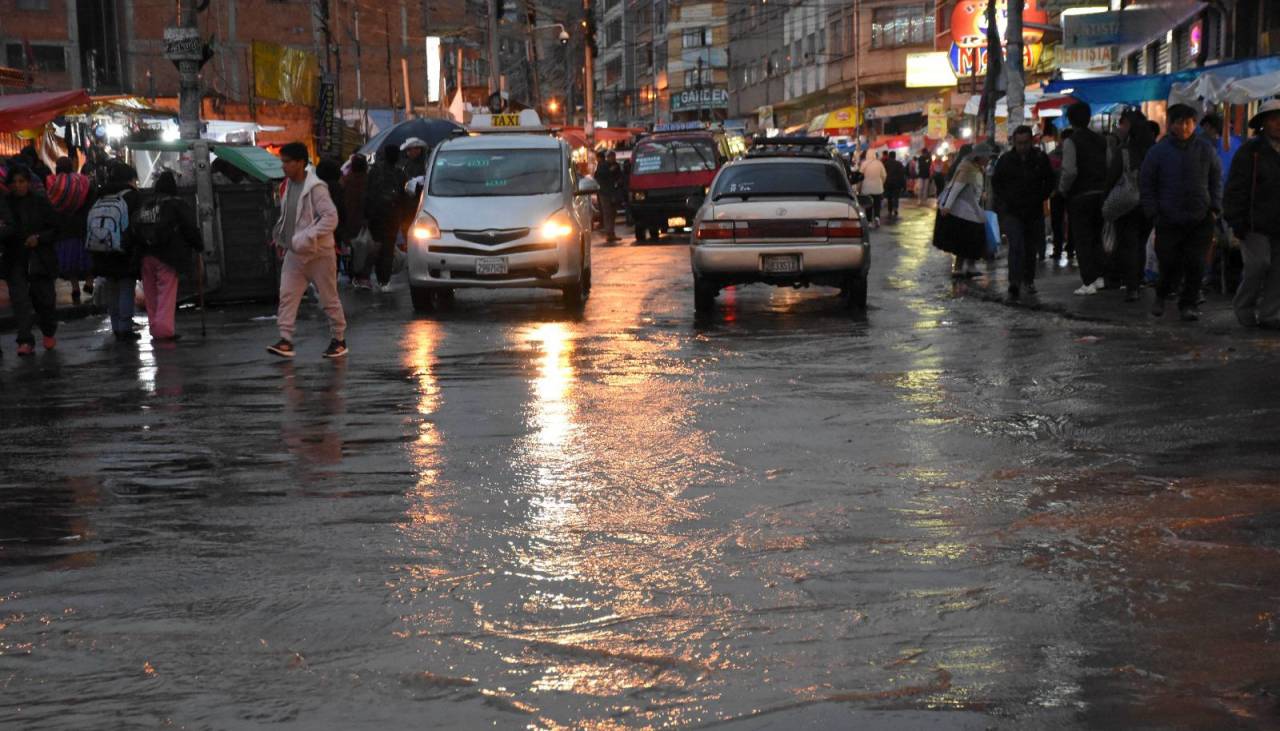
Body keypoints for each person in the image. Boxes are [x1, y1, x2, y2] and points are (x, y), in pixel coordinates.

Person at [1140, 103, 1222, 322]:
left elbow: (1216, 179)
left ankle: (1189, 303)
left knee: (1196, 263)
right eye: (1179, 122)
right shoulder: (1157, 152)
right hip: (1168, 217)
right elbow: (1146, 184)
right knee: (1168, 261)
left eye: (1188, 122)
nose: (1184, 127)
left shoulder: (1206, 149)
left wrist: (1214, 208)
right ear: (1170, 124)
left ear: (1195, 124)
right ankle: (1162, 294)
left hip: (1200, 217)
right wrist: (1153, 212)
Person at [267, 142, 347, 359]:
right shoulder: (287, 186)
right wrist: (282, 239)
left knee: (328, 298)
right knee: (287, 295)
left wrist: (308, 236)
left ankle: (339, 339)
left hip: (319, 253)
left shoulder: (316, 188)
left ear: (300, 163)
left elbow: (331, 218)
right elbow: (288, 218)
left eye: (287, 162)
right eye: (282, 162)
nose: (283, 166)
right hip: (295, 252)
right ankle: (286, 339)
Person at [1224, 99, 1280, 328]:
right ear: (1263, 124)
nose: (1279, 124)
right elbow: (1236, 187)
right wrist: (1236, 220)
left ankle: (1271, 314)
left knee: (1279, 271)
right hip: (1254, 222)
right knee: (1258, 265)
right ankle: (1244, 305)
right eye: (1274, 119)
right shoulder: (1251, 151)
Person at [135, 171, 201, 341]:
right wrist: (199, 245)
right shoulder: (175, 204)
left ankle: (155, 328)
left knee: (150, 293)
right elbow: (189, 228)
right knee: (166, 292)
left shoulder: (147, 204)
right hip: (168, 254)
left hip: (145, 254)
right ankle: (163, 330)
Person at [992, 126, 1055, 301]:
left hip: (1033, 211)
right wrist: (1004, 202)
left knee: (1029, 247)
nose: (1022, 146)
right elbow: (996, 184)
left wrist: (1040, 196)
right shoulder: (1005, 161)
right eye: (1019, 143)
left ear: (1031, 141)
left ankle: (1028, 280)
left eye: (1025, 143)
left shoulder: (1040, 158)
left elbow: (1050, 180)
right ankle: (1014, 282)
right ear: (1014, 142)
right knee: (1016, 245)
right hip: (1012, 211)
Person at [3, 166, 59, 355]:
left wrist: (39, 238)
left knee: (44, 300)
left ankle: (48, 331)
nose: (18, 186)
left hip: (39, 259)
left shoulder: (40, 202)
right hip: (15, 259)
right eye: (14, 182)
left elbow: (55, 228)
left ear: (28, 182)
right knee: (20, 301)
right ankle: (25, 340)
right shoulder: (5, 204)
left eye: (21, 181)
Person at [1104, 110, 1156, 302]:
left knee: (1129, 245)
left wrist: (1106, 199)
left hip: (1127, 205)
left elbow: (1111, 178)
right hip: (1149, 205)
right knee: (1140, 244)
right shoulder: (1154, 151)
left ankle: (1132, 286)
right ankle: (1138, 281)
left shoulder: (1125, 152)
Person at [1059, 101, 1108, 295]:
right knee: (1097, 238)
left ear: (1070, 120)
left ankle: (1089, 280)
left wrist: (1063, 189)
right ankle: (1099, 277)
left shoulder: (1072, 141)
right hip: (1100, 194)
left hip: (1080, 196)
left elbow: (1070, 171)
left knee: (1083, 239)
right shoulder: (1101, 140)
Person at [92, 163, 143, 342]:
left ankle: (115, 326)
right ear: (130, 179)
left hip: (102, 248)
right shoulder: (132, 197)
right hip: (125, 249)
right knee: (126, 288)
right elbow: (138, 224)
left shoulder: (100, 196)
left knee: (112, 288)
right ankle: (125, 328)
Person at [934, 141, 997, 277]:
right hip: (963, 211)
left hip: (972, 208)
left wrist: (982, 194)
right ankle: (959, 268)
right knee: (963, 241)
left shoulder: (977, 168)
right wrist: (947, 207)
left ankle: (970, 266)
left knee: (971, 241)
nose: (989, 159)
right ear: (980, 156)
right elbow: (956, 188)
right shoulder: (967, 168)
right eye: (987, 157)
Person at [45, 156, 94, 304]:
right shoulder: (84, 181)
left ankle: (75, 288)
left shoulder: (53, 183)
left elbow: (50, 205)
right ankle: (89, 283)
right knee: (87, 258)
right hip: (83, 226)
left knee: (69, 261)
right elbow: (91, 201)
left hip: (64, 228)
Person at [363, 145, 407, 290]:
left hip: (375, 216)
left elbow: (367, 193)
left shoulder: (374, 172)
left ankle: (379, 275)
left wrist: (367, 214)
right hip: (392, 216)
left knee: (378, 246)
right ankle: (384, 280)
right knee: (388, 248)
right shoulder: (400, 173)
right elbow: (404, 195)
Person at [342, 154, 370, 287]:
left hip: (349, 221)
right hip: (365, 221)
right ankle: (363, 276)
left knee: (352, 248)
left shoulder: (346, 180)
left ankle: (352, 273)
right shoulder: (369, 180)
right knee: (365, 247)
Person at [593, 151, 622, 242]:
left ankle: (612, 232)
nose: (612, 158)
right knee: (607, 213)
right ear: (607, 158)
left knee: (613, 213)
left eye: (613, 156)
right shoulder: (603, 166)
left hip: (613, 193)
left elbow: (620, 177)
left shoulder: (616, 166)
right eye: (610, 157)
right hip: (605, 193)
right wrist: (609, 171)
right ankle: (609, 233)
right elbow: (599, 176)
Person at [859, 151, 887, 226]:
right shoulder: (879, 163)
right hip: (877, 187)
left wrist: (859, 187)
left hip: (867, 188)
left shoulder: (864, 164)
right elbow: (884, 175)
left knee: (868, 205)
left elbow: (860, 176)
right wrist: (882, 183)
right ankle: (877, 217)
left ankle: (869, 222)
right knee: (877, 203)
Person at [883, 151, 907, 222]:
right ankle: (895, 208)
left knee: (889, 197)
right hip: (897, 183)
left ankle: (890, 210)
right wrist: (904, 185)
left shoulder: (886, 164)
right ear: (895, 156)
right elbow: (902, 175)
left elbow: (884, 175)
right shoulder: (899, 164)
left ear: (889, 156)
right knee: (896, 196)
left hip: (888, 183)